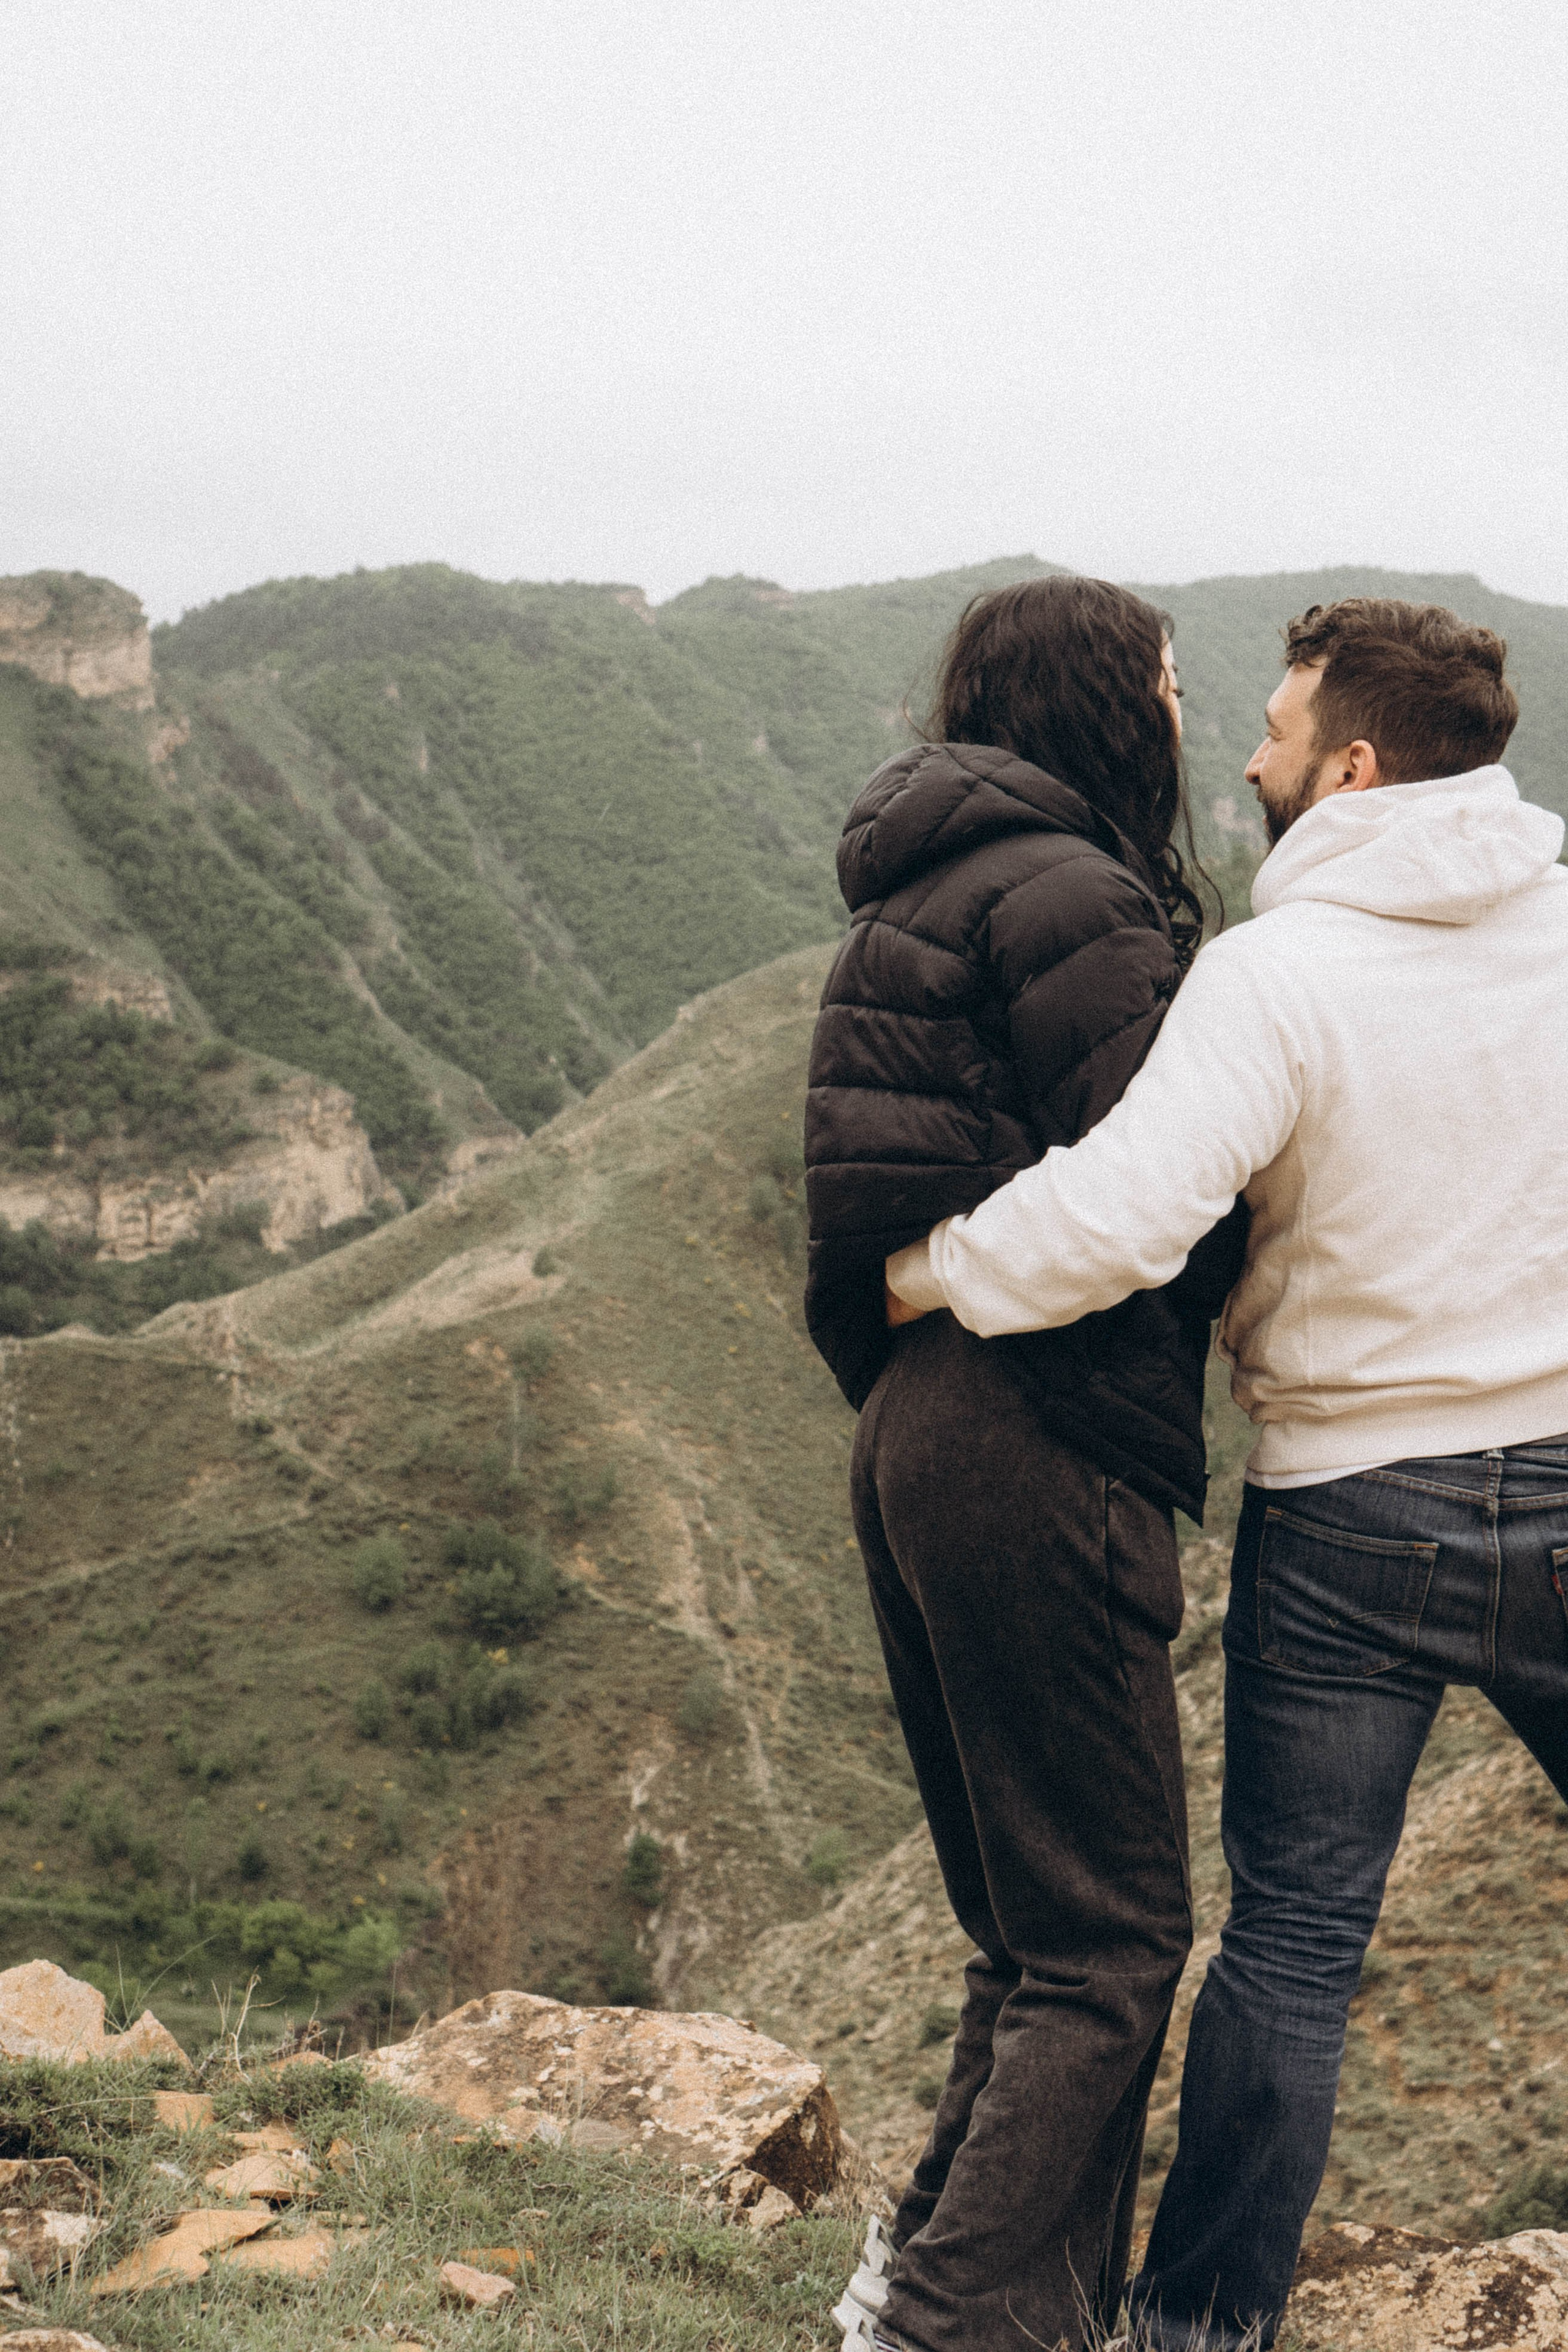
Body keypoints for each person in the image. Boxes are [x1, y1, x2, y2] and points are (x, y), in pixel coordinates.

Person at [885, 597, 1568, 2350]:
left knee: (1293, 1948)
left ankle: (1194, 2333)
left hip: (1351, 1511)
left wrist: (931, 1265)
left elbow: (1118, 1221)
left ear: (1346, 768)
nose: (1247, 759)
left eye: (1273, 731)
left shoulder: (1276, 975)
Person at [804, 575, 1247, 2352]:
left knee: (1033, 1934)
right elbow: (1172, 1190)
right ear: (1100, 702)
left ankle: (920, 2283)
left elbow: (865, 1213)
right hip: (1038, 1428)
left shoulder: (920, 887)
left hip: (915, 1417)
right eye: (1160, 681)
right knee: (1114, 1940)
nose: (1180, 710)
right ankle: (956, 2325)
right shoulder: (1076, 896)